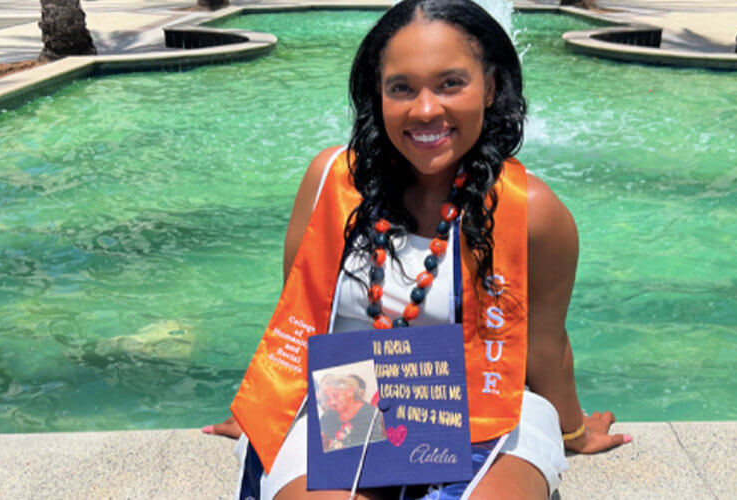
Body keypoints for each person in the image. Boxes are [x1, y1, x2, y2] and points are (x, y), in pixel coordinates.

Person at [210, 0, 633, 498]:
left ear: (491, 88)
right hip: (348, 398)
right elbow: (301, 315)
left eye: (451, 83)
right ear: (379, 94)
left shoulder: (531, 211)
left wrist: (573, 431)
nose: (426, 108)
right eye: (402, 88)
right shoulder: (331, 181)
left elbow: (546, 346)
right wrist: (266, 404)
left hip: (484, 405)